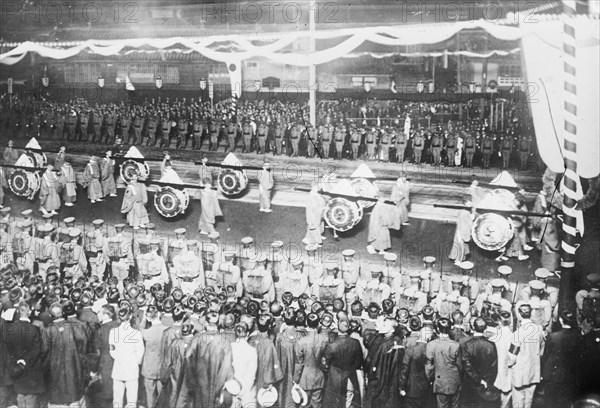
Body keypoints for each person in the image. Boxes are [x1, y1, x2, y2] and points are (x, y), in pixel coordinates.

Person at [45, 301, 89, 408]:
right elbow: (83, 345)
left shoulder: (48, 330)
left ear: (51, 315)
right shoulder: (75, 327)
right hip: (74, 366)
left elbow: (44, 350)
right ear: (63, 312)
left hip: (55, 369)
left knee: (58, 398)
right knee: (75, 395)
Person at [2, 302, 45, 408]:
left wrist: (17, 360)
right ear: (29, 312)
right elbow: (38, 349)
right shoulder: (35, 329)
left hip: (16, 366)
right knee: (30, 396)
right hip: (31, 367)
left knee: (20, 395)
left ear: (18, 312)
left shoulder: (9, 328)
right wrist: (26, 360)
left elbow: (6, 347)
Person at [540, 310, 581, 408]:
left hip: (552, 376)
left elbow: (545, 356)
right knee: (564, 402)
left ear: (561, 320)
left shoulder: (553, 337)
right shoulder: (578, 337)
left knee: (550, 402)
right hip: (569, 376)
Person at [320, 316, 363, 408]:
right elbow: (359, 362)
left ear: (337, 326)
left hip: (334, 378)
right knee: (348, 402)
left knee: (334, 403)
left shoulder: (332, 345)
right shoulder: (355, 343)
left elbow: (324, 365)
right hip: (350, 377)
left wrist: (331, 372)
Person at [508, 304, 545, 408]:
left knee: (518, 403)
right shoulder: (539, 330)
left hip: (520, 375)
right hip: (534, 373)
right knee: (528, 403)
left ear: (519, 315)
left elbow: (512, 357)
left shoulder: (518, 333)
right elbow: (541, 351)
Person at [364, 316, 404, 408]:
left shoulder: (385, 344)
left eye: (385, 325)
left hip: (382, 381)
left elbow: (378, 365)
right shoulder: (397, 340)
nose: (382, 327)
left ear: (392, 330)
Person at [109, 306, 145, 408]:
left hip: (118, 367)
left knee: (117, 398)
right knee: (132, 399)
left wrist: (119, 358)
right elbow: (140, 351)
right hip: (132, 368)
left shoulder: (113, 332)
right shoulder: (137, 333)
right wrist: (136, 362)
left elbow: (112, 350)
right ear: (130, 317)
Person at [459, 317, 499, 408]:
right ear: (485, 328)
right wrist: (487, 381)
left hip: (470, 384)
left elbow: (467, 366)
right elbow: (494, 366)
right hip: (486, 384)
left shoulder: (467, 345)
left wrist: (478, 380)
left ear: (473, 327)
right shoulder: (491, 345)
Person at [293, 312, 331, 408]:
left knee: (304, 404)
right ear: (319, 323)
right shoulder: (325, 339)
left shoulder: (301, 342)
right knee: (317, 404)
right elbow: (325, 359)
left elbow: (299, 364)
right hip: (319, 377)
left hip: (304, 378)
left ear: (306, 322)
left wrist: (295, 380)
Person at [425, 318, 462, 408]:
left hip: (440, 382)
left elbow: (429, 366)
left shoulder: (431, 344)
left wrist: (430, 379)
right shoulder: (456, 345)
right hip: (455, 382)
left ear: (437, 329)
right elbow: (460, 366)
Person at [90, 304, 120, 408]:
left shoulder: (100, 330)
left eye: (99, 312)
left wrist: (93, 370)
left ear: (106, 315)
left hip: (105, 363)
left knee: (107, 394)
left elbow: (97, 353)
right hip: (119, 363)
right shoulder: (118, 325)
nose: (97, 315)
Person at [160, 321, 194, 408]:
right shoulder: (198, 344)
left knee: (173, 396)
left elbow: (167, 363)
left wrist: (163, 378)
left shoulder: (175, 343)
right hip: (191, 378)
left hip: (175, 376)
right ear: (192, 331)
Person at [399, 319, 431, 408]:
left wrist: (401, 387)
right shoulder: (431, 350)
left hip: (410, 390)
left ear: (419, 334)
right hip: (426, 390)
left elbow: (404, 370)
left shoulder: (410, 349)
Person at [141, 306, 166, 408]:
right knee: (162, 396)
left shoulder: (146, 332)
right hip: (162, 367)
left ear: (148, 317)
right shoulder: (167, 330)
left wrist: (143, 318)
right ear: (159, 315)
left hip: (149, 368)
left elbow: (141, 328)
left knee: (150, 397)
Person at [231, 322, 258, 407]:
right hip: (247, 388)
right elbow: (252, 373)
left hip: (232, 386)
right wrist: (245, 389)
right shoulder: (252, 350)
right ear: (247, 334)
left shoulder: (229, 347)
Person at [448, 198, 473, 265]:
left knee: (460, 245)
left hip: (460, 231)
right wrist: (464, 235)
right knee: (460, 245)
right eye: (469, 202)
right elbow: (465, 225)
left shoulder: (463, 211)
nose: (471, 204)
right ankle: (458, 260)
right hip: (462, 232)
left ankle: (459, 259)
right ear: (465, 203)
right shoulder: (465, 213)